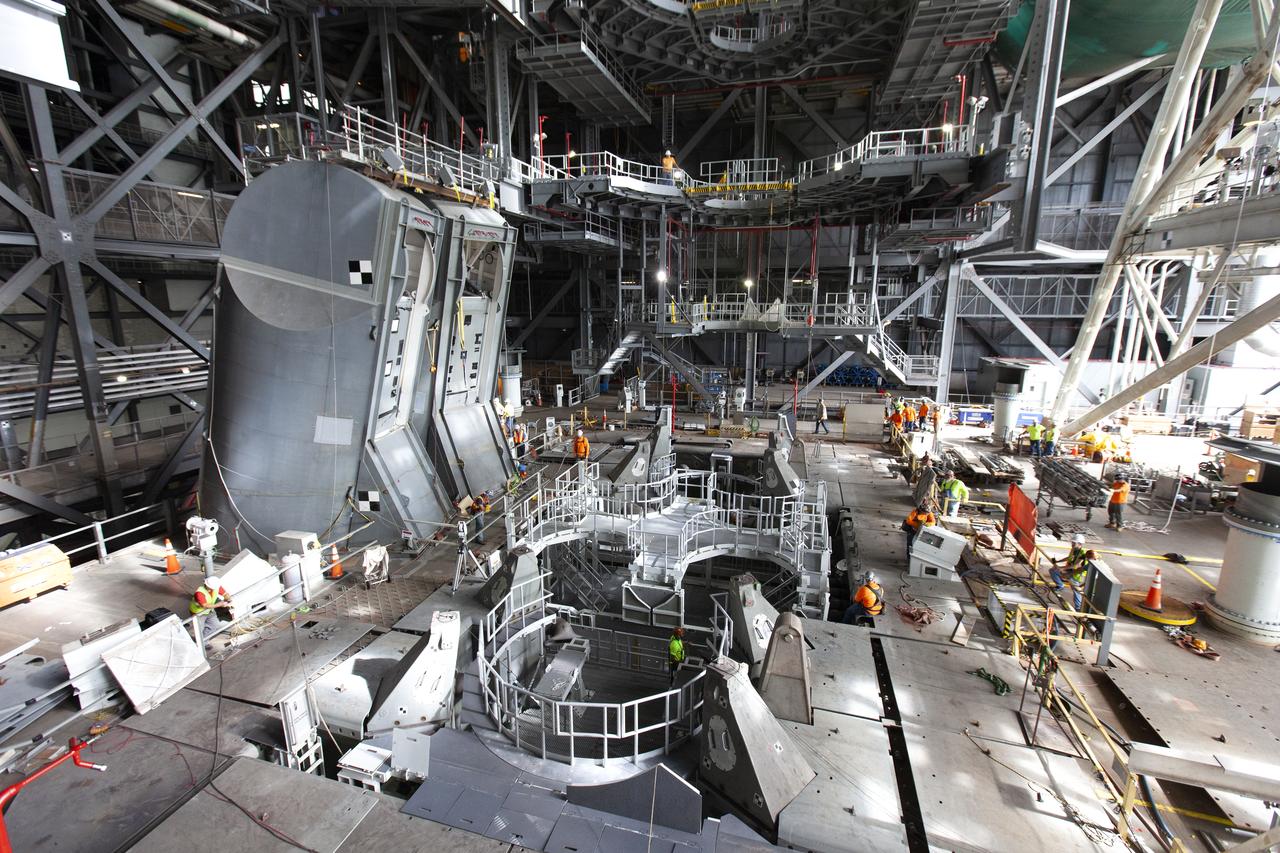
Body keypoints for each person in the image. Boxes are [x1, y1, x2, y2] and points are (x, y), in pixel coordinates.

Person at [190, 575, 233, 641]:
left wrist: (228, 598)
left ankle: (204, 642)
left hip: (209, 611)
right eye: (212, 588)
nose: (214, 589)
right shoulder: (199, 592)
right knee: (199, 630)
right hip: (198, 613)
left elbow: (225, 594)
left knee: (214, 625)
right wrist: (219, 604)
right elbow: (205, 605)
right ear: (207, 585)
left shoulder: (216, 586)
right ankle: (198, 645)